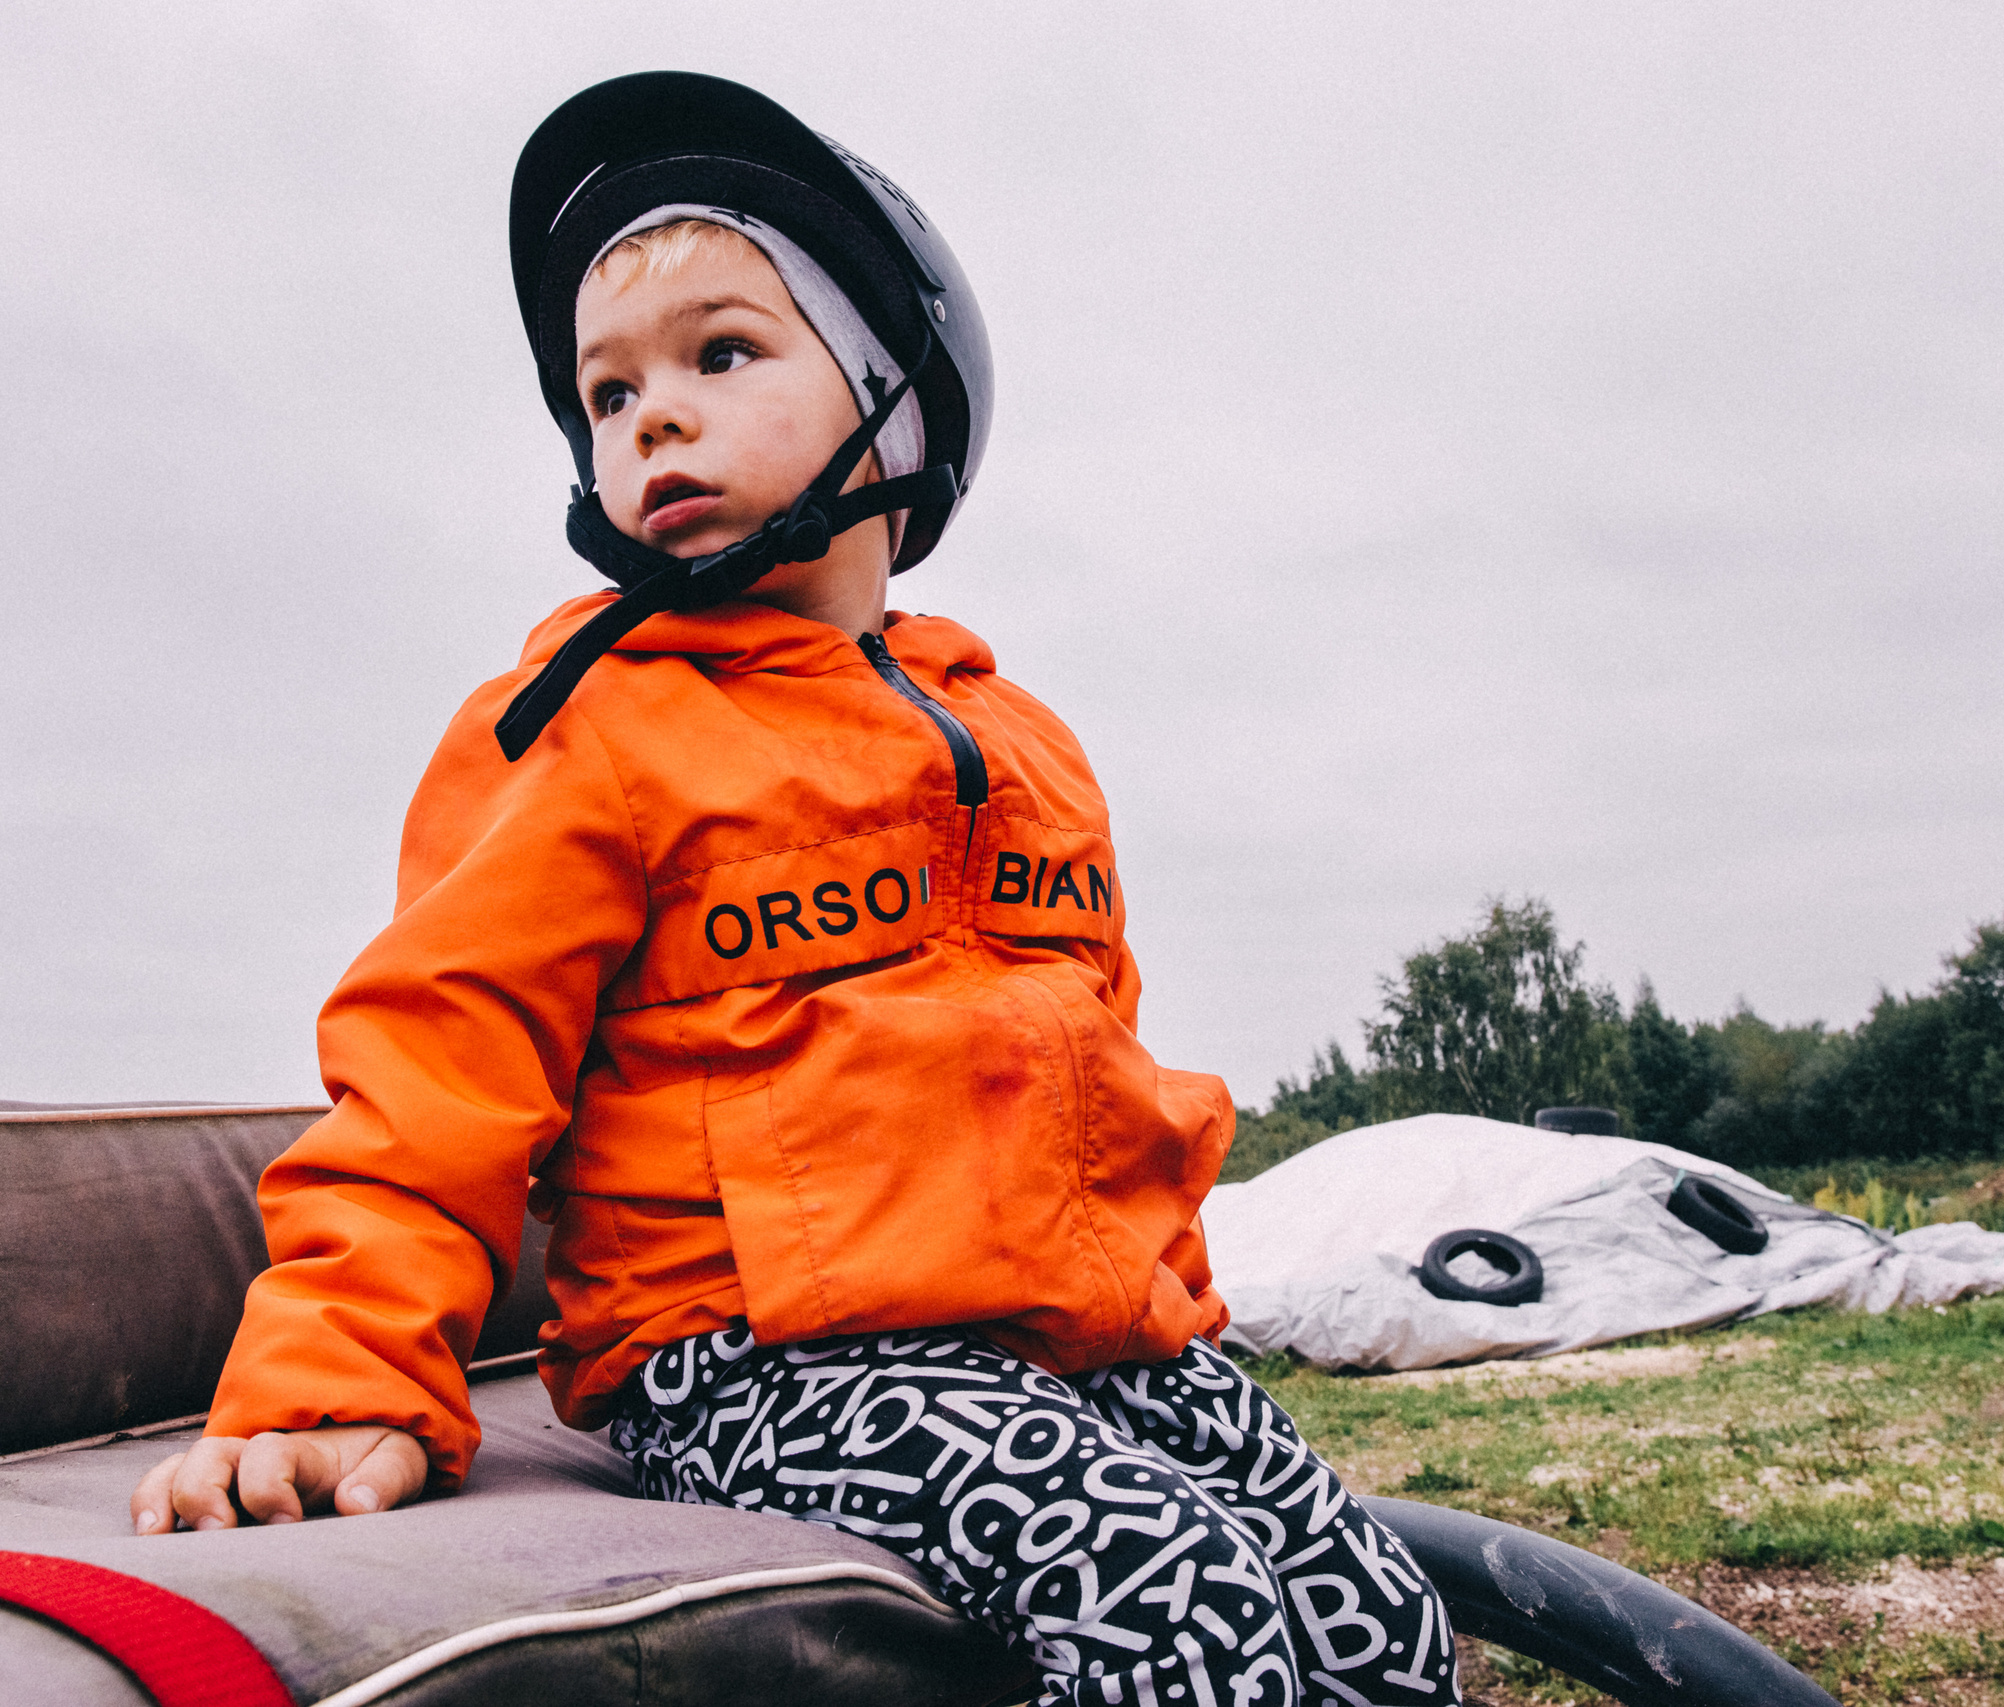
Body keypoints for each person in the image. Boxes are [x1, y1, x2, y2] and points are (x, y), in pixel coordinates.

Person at [132, 73, 1460, 1707]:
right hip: (761, 1362)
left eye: (720, 354)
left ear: (895, 409)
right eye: (605, 395)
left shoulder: (1019, 737)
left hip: (1059, 1343)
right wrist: (338, 1382)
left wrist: (1155, 1309)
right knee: (1168, 1593)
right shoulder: (588, 727)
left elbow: (1095, 1067)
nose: (651, 419)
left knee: (1370, 1612)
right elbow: (437, 1068)